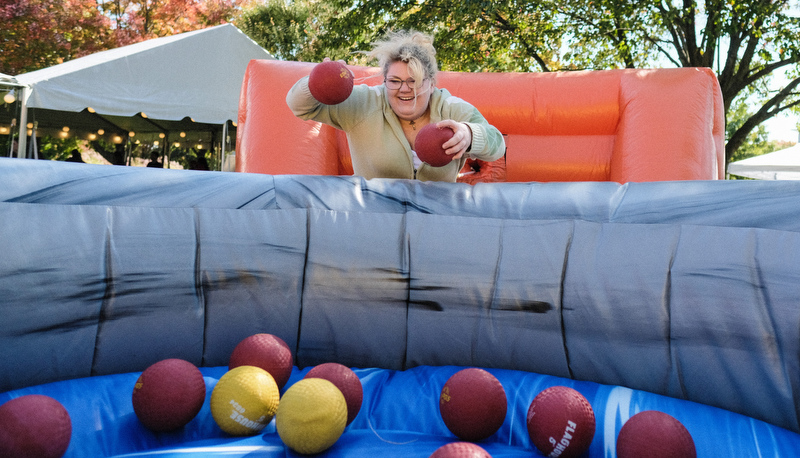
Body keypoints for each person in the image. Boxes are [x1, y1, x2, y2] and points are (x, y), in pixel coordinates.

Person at [286, 30, 505, 182]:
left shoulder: (451, 109)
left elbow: (497, 145)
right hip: (376, 219)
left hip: (433, 221)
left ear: (431, 84)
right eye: (395, 81)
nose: (404, 89)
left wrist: (469, 134)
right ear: (384, 81)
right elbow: (299, 105)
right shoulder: (366, 102)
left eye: (414, 81)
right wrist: (320, 80)